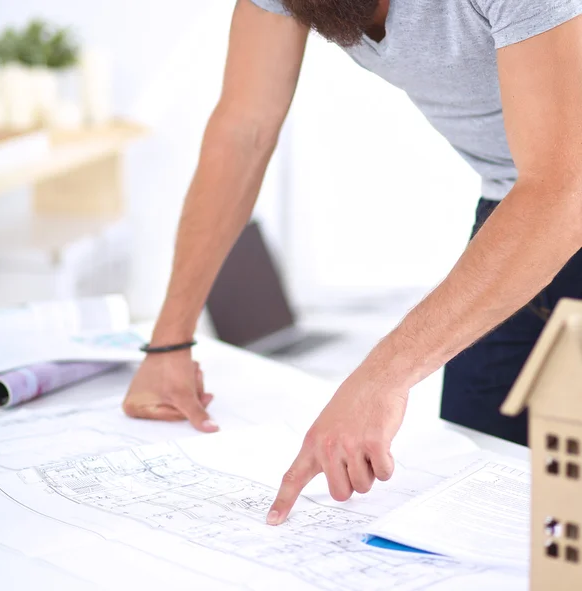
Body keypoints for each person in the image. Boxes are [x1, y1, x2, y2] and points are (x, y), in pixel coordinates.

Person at [124, 0, 582, 525]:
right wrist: (169, 344)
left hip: (558, 197)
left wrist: (380, 377)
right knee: (483, 486)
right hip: (517, 206)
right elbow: (242, 132)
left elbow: (563, 190)